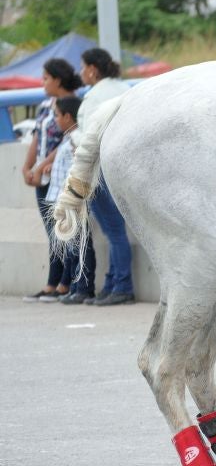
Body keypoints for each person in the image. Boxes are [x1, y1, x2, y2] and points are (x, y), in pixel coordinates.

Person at [20, 58, 83, 302]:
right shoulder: (46, 105)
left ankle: (65, 282)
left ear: (57, 79)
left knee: (65, 231)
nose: (42, 82)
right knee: (51, 232)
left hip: (59, 174)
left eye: (45, 78)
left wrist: (45, 163)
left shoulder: (74, 103)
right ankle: (52, 282)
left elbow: (71, 138)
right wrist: (28, 166)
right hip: (42, 177)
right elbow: (37, 136)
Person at [78, 47, 135, 306]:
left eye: (83, 67)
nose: (81, 73)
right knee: (116, 230)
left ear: (92, 69)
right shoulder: (126, 88)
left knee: (114, 231)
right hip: (125, 165)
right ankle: (112, 284)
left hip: (99, 168)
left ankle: (121, 286)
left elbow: (87, 137)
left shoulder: (93, 98)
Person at [45, 96, 97, 304]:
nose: (56, 119)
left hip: (74, 201)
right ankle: (75, 287)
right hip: (64, 200)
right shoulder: (69, 138)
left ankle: (84, 287)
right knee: (71, 247)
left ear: (68, 116)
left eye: (57, 115)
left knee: (80, 245)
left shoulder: (77, 138)